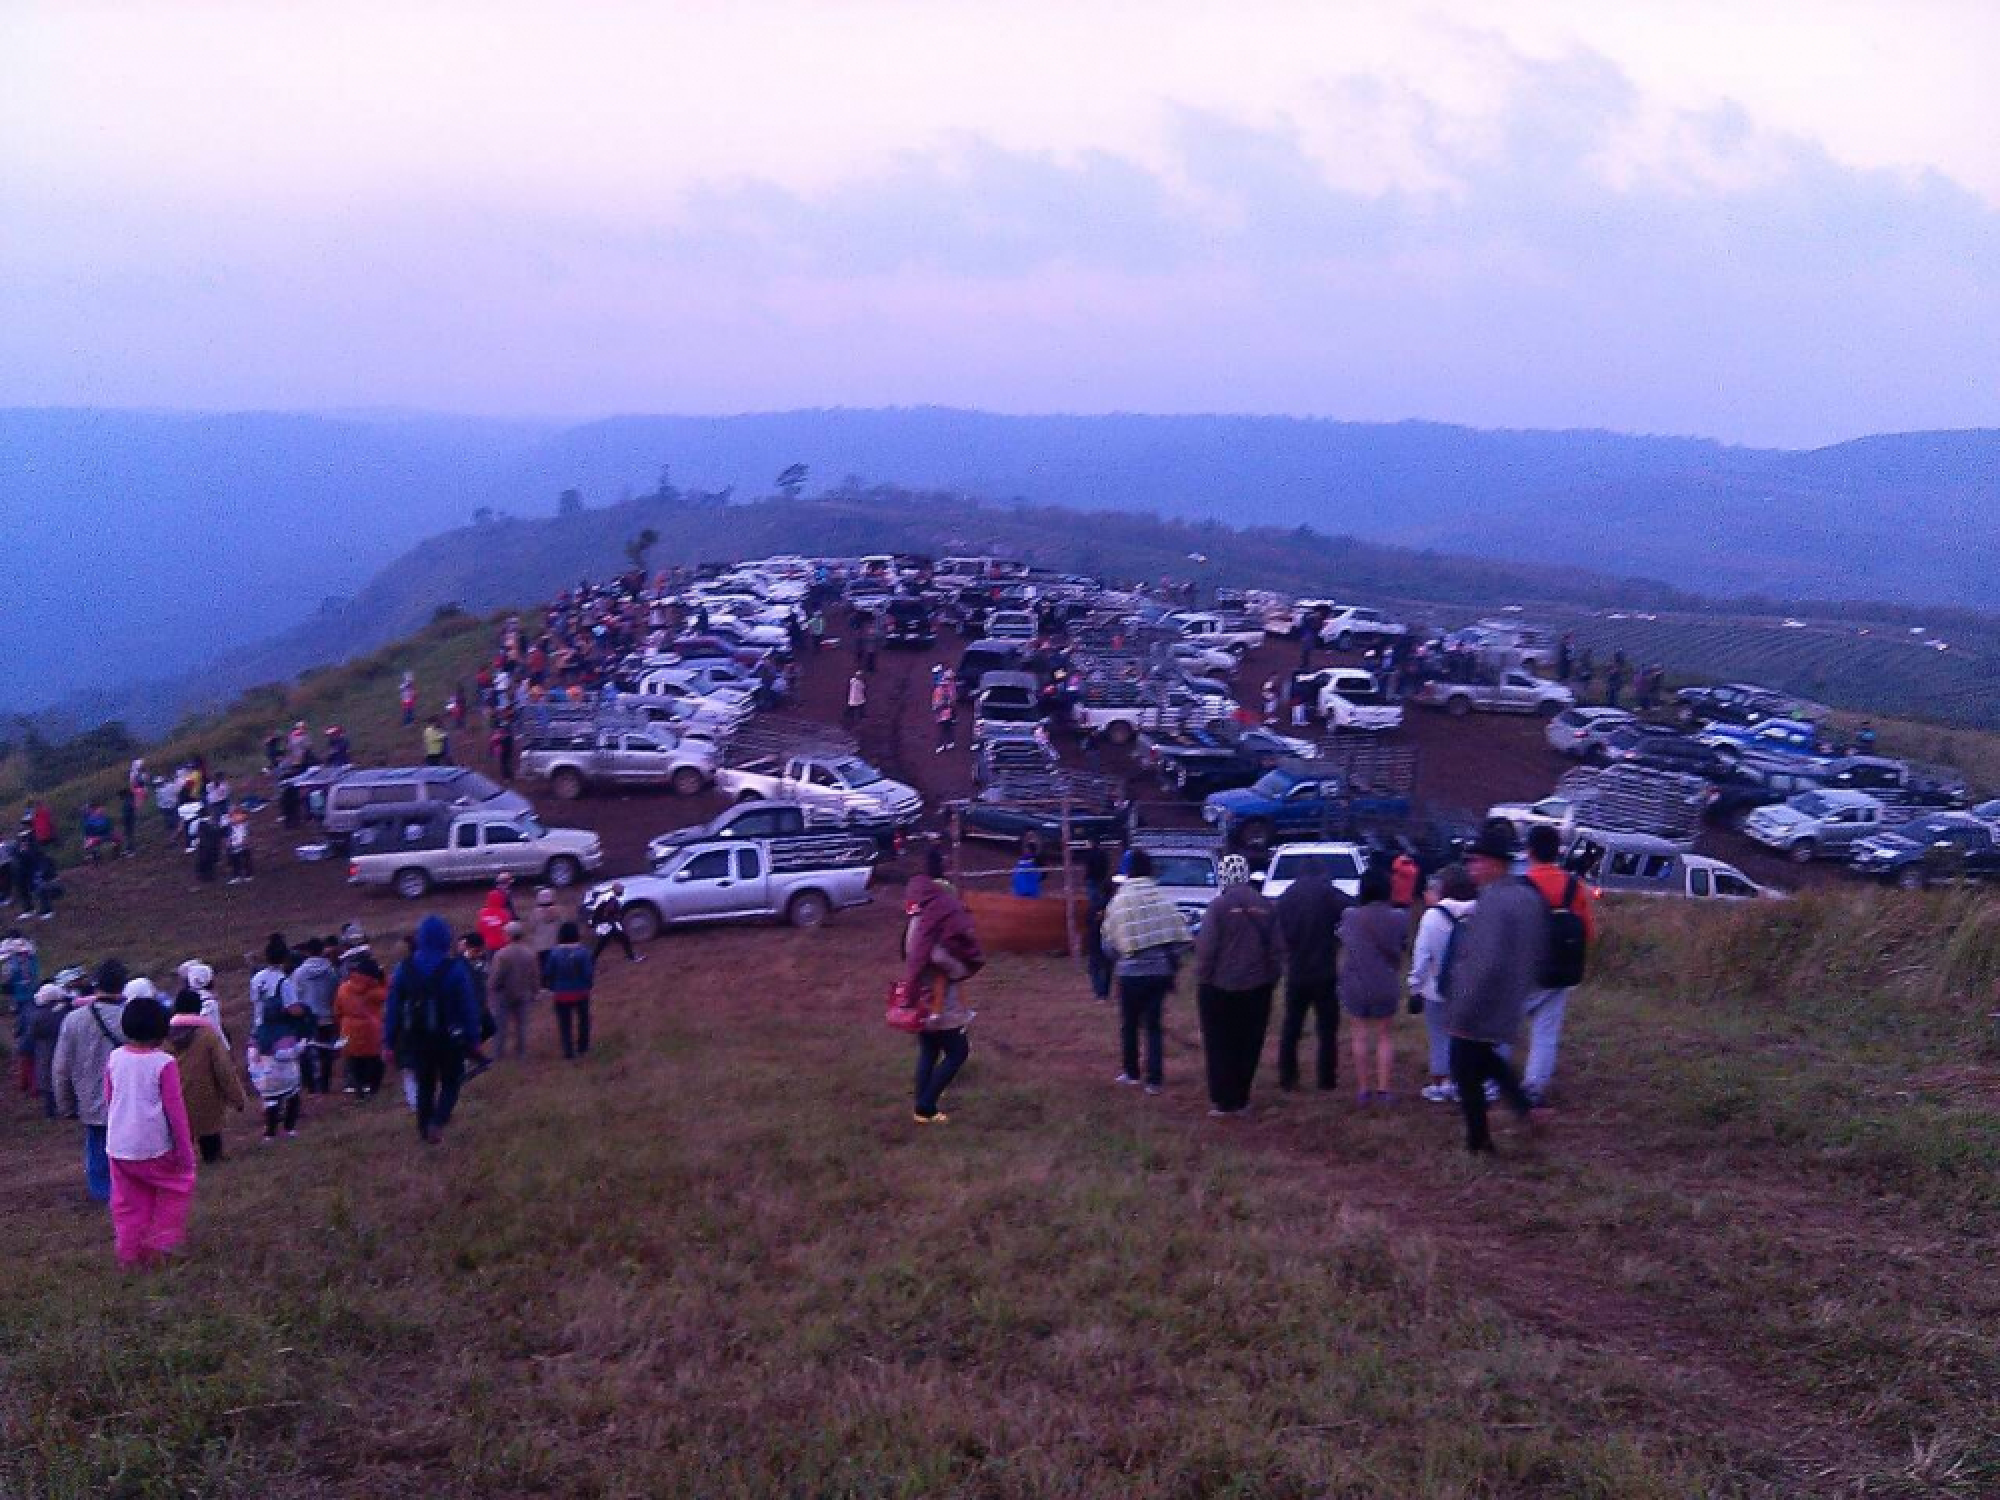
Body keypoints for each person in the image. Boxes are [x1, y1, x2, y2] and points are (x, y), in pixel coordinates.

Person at [1440, 821, 1550, 1154]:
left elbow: (1482, 960)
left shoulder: (1493, 900)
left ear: (1493, 863)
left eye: (1476, 861)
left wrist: (1461, 1004)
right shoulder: (1526, 895)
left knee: (1464, 1068)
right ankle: (1524, 1107)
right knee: (1485, 1059)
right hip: (1509, 997)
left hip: (1480, 1002)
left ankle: (1480, 1141)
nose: (1472, 867)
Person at [104, 994, 199, 1269]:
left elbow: (111, 1099)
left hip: (119, 1146)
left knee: (128, 1204)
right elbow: (176, 1112)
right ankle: (160, 1245)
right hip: (154, 1146)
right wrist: (185, 1152)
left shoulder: (114, 1058)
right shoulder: (164, 1063)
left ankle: (129, 1254)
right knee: (177, 1187)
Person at [1193, 854, 1284, 1117]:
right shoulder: (1266, 906)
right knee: (1249, 1042)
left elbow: (1207, 948)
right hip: (1258, 987)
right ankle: (1242, 1098)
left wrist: (1203, 978)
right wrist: (1271, 978)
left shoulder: (1218, 907)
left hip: (1220, 987)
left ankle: (1223, 1100)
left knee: (1219, 1042)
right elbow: (1277, 949)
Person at [1099, 849, 1193, 1095]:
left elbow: (1108, 944)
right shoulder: (1161, 899)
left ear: (1127, 870)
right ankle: (1154, 1080)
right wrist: (1169, 957)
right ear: (1150, 870)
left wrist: (1122, 958)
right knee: (1153, 1025)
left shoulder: (1118, 902)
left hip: (1129, 973)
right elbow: (1183, 939)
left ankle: (1131, 1073)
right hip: (1158, 973)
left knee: (1128, 1023)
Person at [384, 915, 483, 1144]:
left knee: (425, 1084)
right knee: (452, 1081)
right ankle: (438, 1121)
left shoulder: (403, 969)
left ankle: (423, 1130)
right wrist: (474, 1038)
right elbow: (468, 1006)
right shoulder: (455, 969)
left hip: (416, 1037)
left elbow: (392, 1009)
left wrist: (388, 1042)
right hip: (449, 1037)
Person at [1520, 823, 1596, 1106]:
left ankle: (1490, 1082)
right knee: (1546, 1033)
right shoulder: (1573, 886)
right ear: (1558, 852)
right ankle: (1534, 1089)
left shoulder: (1523, 884)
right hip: (1562, 972)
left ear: (1529, 851)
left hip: (1525, 970)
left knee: (1501, 1026)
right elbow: (1587, 931)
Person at [902, 870, 983, 1124]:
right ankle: (926, 1106)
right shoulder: (936, 922)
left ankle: (921, 1103)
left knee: (929, 1050)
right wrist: (960, 969)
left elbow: (910, 954)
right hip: (939, 1000)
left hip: (922, 996)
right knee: (958, 1052)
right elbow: (937, 957)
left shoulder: (916, 920)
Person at [51, 960, 130, 1201]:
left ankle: (103, 1195)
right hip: (128, 1099)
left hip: (91, 1100)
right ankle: (129, 1194)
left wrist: (65, 1105)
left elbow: (61, 1067)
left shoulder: (74, 1020)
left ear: (96, 984)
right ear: (123, 985)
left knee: (97, 1147)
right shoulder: (132, 1016)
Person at [1275, 855, 1351, 1092]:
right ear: (1321, 872)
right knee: (1327, 1028)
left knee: (1292, 1025)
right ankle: (1326, 1079)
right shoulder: (1328, 892)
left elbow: (1279, 930)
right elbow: (1351, 907)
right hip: (1324, 969)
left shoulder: (1287, 896)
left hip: (1296, 969)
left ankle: (1288, 1077)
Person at [1338, 865, 1409, 1105]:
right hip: (1384, 982)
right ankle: (1384, 1090)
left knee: (1358, 1035)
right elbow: (1401, 948)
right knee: (1384, 1036)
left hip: (1356, 982)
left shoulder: (1350, 916)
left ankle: (1363, 1089)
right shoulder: (1399, 917)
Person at [1409, 865, 1480, 1104]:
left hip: (1436, 989)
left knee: (1439, 1037)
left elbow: (1422, 956)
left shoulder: (1432, 916)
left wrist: (1415, 986)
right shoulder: (1481, 911)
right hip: (1471, 989)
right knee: (1468, 1037)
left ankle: (1442, 1084)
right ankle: (1465, 1083)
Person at [164, 990, 246, 1163]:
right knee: (211, 1143)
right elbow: (224, 1070)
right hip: (207, 1101)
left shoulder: (164, 1038)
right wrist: (237, 1098)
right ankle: (212, 1159)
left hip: (175, 1101)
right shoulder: (207, 1036)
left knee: (180, 1142)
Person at [288, 938, 340, 1095]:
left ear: (308, 952)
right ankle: (325, 1086)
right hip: (327, 1016)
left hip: (307, 1018)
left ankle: (310, 1086)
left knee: (306, 1051)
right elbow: (335, 992)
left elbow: (294, 995)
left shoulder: (299, 973)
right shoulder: (331, 970)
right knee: (326, 1052)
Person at [334, 957, 388, 1098]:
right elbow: (388, 994)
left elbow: (337, 1010)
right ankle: (372, 1089)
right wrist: (384, 979)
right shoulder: (374, 991)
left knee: (354, 1061)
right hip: (371, 1029)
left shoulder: (343, 988)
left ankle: (359, 1089)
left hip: (348, 1028)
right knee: (374, 1061)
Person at [541, 921, 596, 1060]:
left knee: (565, 1024)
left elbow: (548, 973)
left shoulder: (554, 952)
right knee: (583, 1020)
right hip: (581, 992)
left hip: (561, 994)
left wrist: (552, 987)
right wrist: (588, 986)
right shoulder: (583, 951)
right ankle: (583, 1047)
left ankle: (568, 1051)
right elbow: (588, 973)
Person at [487, 921, 540, 1060]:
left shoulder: (501, 955)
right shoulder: (530, 953)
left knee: (500, 1026)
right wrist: (535, 991)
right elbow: (534, 975)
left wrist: (491, 989)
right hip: (523, 993)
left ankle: (497, 1055)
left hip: (504, 994)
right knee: (522, 1025)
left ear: (508, 935)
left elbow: (496, 977)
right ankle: (521, 1053)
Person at [248, 1037, 304, 1141]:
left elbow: (252, 1057)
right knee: (289, 1101)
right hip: (279, 1078)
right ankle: (282, 1130)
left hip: (271, 1078)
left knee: (277, 1103)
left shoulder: (259, 1033)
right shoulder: (283, 1033)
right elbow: (287, 1053)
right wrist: (300, 1046)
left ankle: (273, 1133)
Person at [587, 884, 640, 963]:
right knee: (621, 939)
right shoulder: (611, 899)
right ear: (617, 891)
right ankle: (632, 957)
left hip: (603, 922)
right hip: (606, 923)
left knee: (605, 942)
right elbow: (607, 912)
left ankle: (591, 960)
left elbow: (599, 909)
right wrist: (613, 922)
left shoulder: (607, 895)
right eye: (621, 890)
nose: (623, 892)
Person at [476, 883, 513, 955]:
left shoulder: (483, 912)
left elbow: (480, 929)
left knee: (491, 962)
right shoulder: (505, 913)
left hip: (489, 944)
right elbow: (508, 929)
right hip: (503, 944)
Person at [225, 809, 253, 883]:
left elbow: (247, 835)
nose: (233, 819)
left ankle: (248, 874)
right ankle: (236, 876)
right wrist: (228, 843)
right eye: (232, 817)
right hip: (234, 846)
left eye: (236, 816)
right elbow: (228, 836)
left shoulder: (245, 825)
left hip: (244, 846)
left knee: (246, 860)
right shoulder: (230, 827)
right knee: (235, 861)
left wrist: (246, 841)